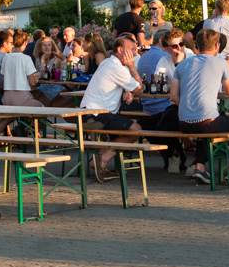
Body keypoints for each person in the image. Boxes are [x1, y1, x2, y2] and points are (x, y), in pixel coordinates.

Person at [170, 28, 229, 187]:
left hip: (183, 123)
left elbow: (173, 97)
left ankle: (200, 167)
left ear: (197, 45)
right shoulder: (221, 62)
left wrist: (188, 106)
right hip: (208, 121)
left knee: (205, 127)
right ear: (217, 45)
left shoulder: (182, 64)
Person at [79, 35, 143, 182]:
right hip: (96, 116)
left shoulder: (109, 62)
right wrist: (132, 67)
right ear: (120, 50)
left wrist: (127, 90)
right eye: (132, 50)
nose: (135, 54)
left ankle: (102, 162)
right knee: (137, 130)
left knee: (126, 128)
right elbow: (139, 89)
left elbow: (126, 85)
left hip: (89, 113)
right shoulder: (116, 67)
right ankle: (101, 160)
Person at [136, 28, 187, 173]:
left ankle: (194, 162)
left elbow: (188, 85)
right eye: (174, 46)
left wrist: (178, 66)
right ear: (165, 48)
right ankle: (174, 156)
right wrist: (175, 85)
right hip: (174, 103)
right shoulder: (164, 60)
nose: (179, 48)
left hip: (191, 104)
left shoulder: (190, 56)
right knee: (158, 127)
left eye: (181, 44)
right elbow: (159, 83)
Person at [0, 30, 42, 135]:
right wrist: (37, 77)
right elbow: (32, 83)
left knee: (14, 112)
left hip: (7, 97)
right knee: (41, 108)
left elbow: (3, 75)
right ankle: (26, 130)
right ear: (25, 42)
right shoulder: (26, 58)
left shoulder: (6, 58)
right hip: (21, 98)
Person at [32, 37, 67, 107]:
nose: (46, 47)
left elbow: (47, 75)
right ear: (39, 47)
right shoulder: (38, 59)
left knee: (38, 100)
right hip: (43, 87)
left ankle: (42, 116)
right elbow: (37, 73)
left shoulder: (56, 59)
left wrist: (43, 60)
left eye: (49, 45)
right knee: (31, 95)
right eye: (44, 45)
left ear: (52, 47)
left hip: (54, 88)